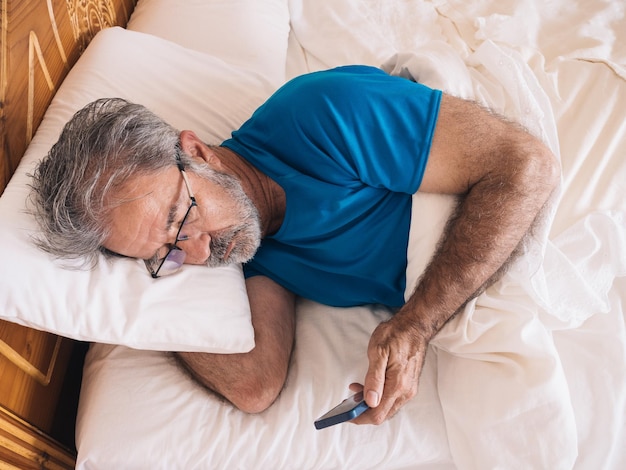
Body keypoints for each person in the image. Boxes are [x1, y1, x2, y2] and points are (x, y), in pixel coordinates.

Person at [31, 65, 559, 425]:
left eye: (181, 215)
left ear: (197, 152)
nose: (195, 251)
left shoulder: (322, 116)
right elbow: (255, 384)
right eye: (165, 252)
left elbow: (525, 166)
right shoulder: (246, 251)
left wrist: (415, 325)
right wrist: (131, 296)